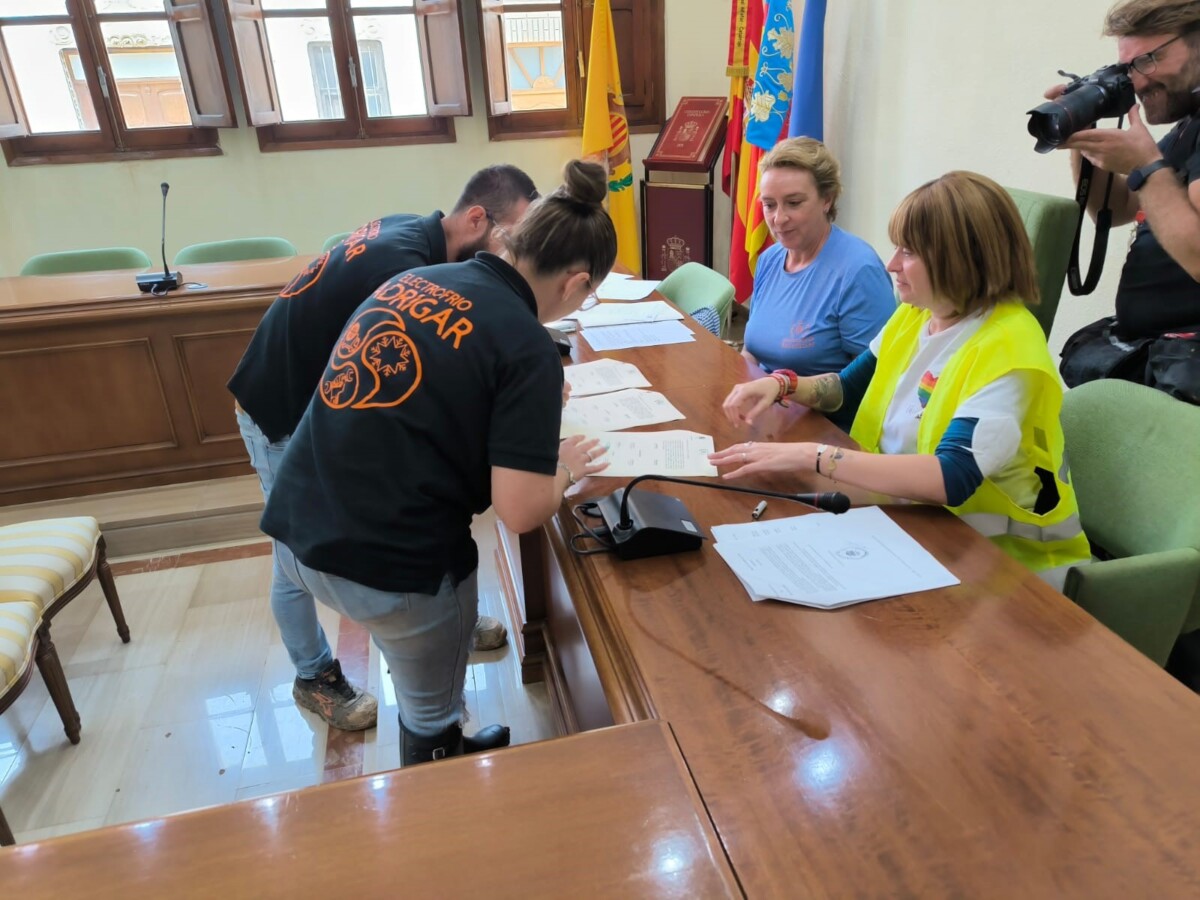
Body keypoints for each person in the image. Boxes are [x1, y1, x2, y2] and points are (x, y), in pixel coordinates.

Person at [259, 160, 616, 766]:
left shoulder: (412, 279)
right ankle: (437, 774)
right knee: (430, 721)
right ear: (576, 283)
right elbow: (521, 508)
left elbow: (415, 407)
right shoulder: (528, 345)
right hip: (389, 571)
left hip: (295, 534)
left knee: (422, 680)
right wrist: (563, 468)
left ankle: (440, 742)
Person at [229, 165, 539, 731]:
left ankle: (446, 623)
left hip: (317, 393)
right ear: (476, 219)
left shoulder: (414, 232)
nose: (519, 252)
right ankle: (314, 675)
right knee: (294, 545)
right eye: (513, 235)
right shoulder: (410, 269)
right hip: (279, 405)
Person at [712, 171, 1091, 584]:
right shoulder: (919, 313)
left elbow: (953, 477)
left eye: (909, 252)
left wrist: (814, 457)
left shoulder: (1009, 345)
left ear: (961, 258)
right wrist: (782, 384)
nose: (892, 264)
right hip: (917, 527)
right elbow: (847, 389)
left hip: (1007, 567)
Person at [1051, 0, 1200, 398]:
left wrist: (1145, 164)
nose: (1135, 81)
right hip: (1152, 355)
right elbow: (1114, 210)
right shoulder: (1188, 127)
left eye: (1148, 60)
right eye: (1128, 67)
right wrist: (1082, 137)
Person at [740, 137, 895, 429]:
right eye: (769, 205)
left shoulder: (858, 270)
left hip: (827, 428)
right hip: (768, 415)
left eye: (794, 203)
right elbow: (751, 350)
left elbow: (872, 382)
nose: (779, 219)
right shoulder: (771, 259)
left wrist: (782, 387)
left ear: (827, 199)